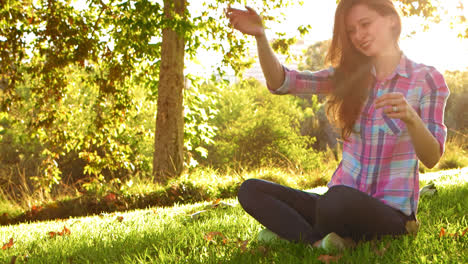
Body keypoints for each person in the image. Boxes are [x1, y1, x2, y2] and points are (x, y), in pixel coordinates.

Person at [225, 0, 449, 251]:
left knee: (336, 201)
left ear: (392, 20)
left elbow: (432, 157)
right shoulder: (349, 77)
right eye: (351, 31)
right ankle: (319, 242)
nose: (358, 36)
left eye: (365, 24)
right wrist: (261, 37)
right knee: (251, 190)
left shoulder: (428, 80)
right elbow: (284, 82)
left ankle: (292, 232)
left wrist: (411, 117)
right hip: (337, 202)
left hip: (389, 215)